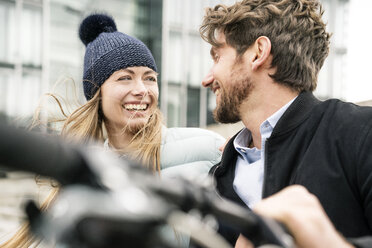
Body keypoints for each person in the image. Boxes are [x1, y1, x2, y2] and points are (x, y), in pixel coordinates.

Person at [0, 13, 225, 248]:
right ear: (98, 94)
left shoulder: (209, 148)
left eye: (149, 78)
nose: (141, 89)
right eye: (125, 78)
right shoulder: (84, 170)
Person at [199, 0, 372, 247]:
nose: (207, 78)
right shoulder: (216, 178)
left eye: (217, 56)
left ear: (258, 53)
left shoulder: (361, 134)